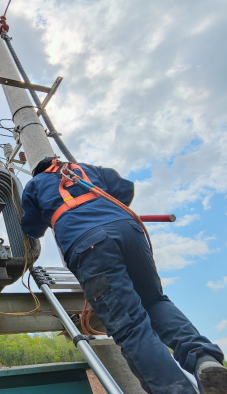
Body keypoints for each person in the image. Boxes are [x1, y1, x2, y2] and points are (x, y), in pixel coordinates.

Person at [21, 157, 226, 394]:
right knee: (155, 301)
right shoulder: (85, 169)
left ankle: (175, 390)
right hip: (129, 230)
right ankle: (204, 359)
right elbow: (124, 189)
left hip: (89, 243)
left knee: (130, 323)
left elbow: (31, 228)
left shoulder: (35, 184)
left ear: (39, 172)